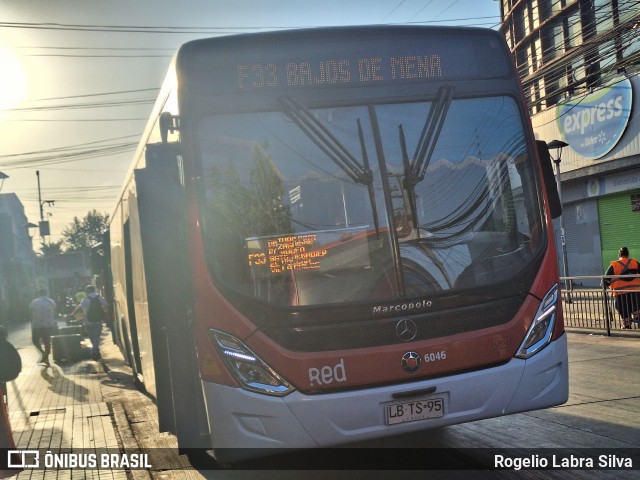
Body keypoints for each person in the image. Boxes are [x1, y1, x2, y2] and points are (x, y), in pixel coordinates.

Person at [604, 247, 640, 329]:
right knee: (637, 309)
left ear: (619, 255)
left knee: (623, 310)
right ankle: (638, 319)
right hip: (636, 293)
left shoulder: (614, 265)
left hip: (620, 294)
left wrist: (609, 286)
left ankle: (627, 325)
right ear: (627, 255)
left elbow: (605, 278)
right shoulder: (634, 262)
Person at [72, 285, 109, 360]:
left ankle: (94, 351)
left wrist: (72, 314)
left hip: (88, 321)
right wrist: (104, 312)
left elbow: (80, 307)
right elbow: (107, 305)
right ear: (94, 289)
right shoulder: (99, 297)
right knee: (97, 336)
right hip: (98, 320)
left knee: (91, 337)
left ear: (87, 291)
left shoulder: (85, 299)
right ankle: (95, 350)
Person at [28, 289, 57, 365]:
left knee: (35, 340)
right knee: (47, 341)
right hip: (49, 324)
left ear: (39, 294)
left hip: (38, 324)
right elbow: (55, 311)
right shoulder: (51, 301)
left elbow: (29, 311)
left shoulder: (34, 302)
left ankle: (42, 353)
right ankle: (46, 357)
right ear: (46, 293)